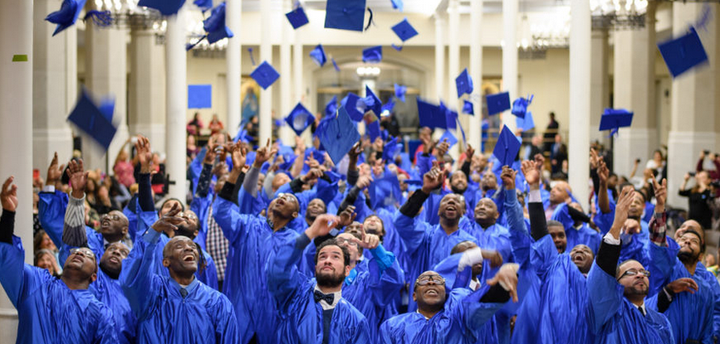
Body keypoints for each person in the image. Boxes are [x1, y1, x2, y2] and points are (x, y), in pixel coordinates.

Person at [0, 176, 117, 343]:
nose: (79, 253)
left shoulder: (100, 312)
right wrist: (8, 214)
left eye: (88, 254)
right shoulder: (36, 283)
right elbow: (6, 259)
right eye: (75, 251)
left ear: (94, 276)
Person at [120, 203, 238, 343]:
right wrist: (154, 231)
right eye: (179, 246)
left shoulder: (217, 302)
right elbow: (131, 278)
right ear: (166, 262)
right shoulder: (152, 292)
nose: (189, 249)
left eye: (192, 247)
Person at [586, 185, 674, 344]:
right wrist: (617, 225)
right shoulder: (609, 313)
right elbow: (602, 276)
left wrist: (660, 208)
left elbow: (658, 255)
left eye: (643, 272)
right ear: (616, 282)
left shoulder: (661, 322)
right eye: (631, 272)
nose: (640, 274)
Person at [267, 214, 371, 343]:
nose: (327, 261)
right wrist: (311, 233)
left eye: (335, 257)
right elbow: (278, 267)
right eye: (322, 257)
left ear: (347, 270)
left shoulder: (356, 320)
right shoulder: (293, 295)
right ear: (315, 269)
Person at [133, 135, 219, 289]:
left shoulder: (204, 258)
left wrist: (208, 165)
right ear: (159, 216)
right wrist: (144, 172)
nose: (178, 213)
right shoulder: (159, 244)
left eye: (181, 210)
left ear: (196, 231)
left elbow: (200, 198)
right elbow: (146, 213)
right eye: (167, 207)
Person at [393, 162, 478, 311]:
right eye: (445, 200)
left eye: (456, 201)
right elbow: (401, 222)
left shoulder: (470, 242)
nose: (451, 201)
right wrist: (425, 191)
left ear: (462, 213)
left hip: (455, 311)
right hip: (423, 308)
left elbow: (475, 278)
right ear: (438, 211)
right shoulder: (425, 234)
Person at [379, 255, 519, 344]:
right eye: (424, 280)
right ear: (414, 295)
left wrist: (502, 284)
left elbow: (482, 303)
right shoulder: (393, 326)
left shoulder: (459, 320)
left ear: (445, 293)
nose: (431, 282)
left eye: (438, 281)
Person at [647, 178, 716, 343]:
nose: (686, 240)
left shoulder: (706, 288)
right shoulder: (667, 268)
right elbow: (658, 244)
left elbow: (708, 330)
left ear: (701, 255)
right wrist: (660, 206)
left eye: (694, 240)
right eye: (683, 238)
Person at [335, 228, 405, 342]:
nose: (346, 243)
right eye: (340, 241)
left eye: (352, 242)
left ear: (358, 255)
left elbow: (394, 279)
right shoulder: (315, 287)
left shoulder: (368, 283)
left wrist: (377, 249)